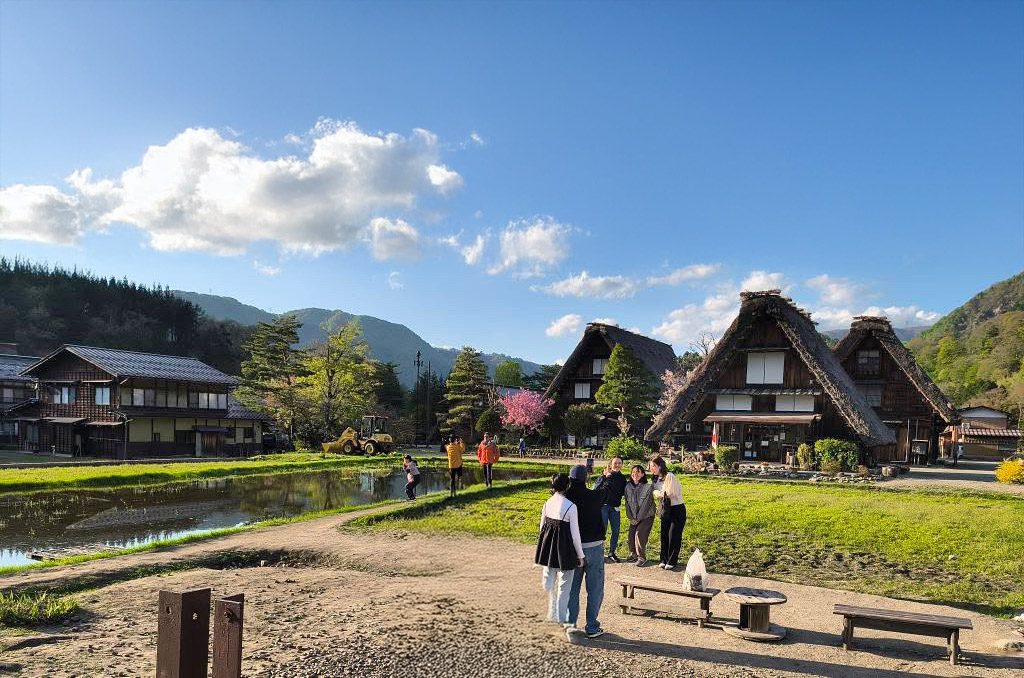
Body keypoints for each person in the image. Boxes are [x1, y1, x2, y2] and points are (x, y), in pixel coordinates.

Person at [535, 473, 585, 626]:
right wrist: (580, 555)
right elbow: (575, 535)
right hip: (564, 550)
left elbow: (541, 527)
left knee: (549, 583)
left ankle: (550, 614)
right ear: (567, 486)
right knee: (564, 586)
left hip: (548, 549)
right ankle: (561, 620)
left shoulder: (546, 503)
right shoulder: (571, 506)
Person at [564, 464, 606, 638]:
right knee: (595, 589)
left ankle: (570, 624)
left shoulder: (564, 498)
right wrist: (605, 477)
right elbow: (606, 491)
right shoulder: (594, 496)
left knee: (572, 589)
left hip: (573, 549)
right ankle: (592, 627)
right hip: (594, 547)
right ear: (586, 478)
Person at [649, 456, 685, 569]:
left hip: (676, 509)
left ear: (660, 466)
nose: (652, 468)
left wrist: (655, 492)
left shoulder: (669, 476)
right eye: (650, 466)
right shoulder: (655, 479)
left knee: (673, 535)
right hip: (664, 509)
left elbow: (669, 493)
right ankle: (663, 559)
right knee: (664, 535)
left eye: (654, 466)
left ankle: (672, 561)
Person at [595, 455, 627, 562]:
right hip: (603, 507)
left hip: (615, 508)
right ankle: (600, 553)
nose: (617, 465)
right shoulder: (604, 475)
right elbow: (596, 489)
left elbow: (624, 493)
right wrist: (604, 477)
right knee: (602, 530)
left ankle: (612, 552)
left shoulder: (622, 478)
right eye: (615, 463)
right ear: (610, 464)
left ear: (622, 464)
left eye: (619, 463)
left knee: (616, 530)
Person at [623, 464, 655, 566]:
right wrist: (631, 517)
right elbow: (627, 504)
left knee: (639, 533)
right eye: (633, 472)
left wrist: (638, 518)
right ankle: (634, 554)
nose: (635, 474)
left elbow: (646, 505)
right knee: (631, 534)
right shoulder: (628, 487)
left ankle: (642, 557)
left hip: (646, 516)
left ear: (642, 474)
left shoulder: (648, 487)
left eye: (638, 472)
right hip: (634, 517)